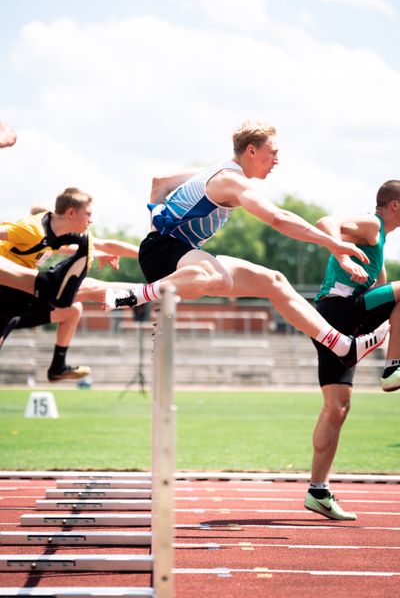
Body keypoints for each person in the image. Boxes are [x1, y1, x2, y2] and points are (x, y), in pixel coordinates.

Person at [103, 120, 388, 367]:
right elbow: (278, 218)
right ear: (251, 150)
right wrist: (333, 245)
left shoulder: (216, 171)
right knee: (215, 275)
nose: (276, 161)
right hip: (165, 252)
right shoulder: (232, 181)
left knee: (275, 282)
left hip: (179, 254)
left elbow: (159, 182)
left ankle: (342, 347)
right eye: (272, 154)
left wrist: (154, 228)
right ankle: (136, 294)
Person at [304, 179, 400, 521]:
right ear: (394, 205)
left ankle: (318, 490)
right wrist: (341, 254)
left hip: (337, 319)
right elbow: (325, 223)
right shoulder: (372, 225)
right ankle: (393, 366)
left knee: (337, 408)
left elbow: (383, 290)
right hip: (337, 311)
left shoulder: (381, 242)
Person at [0, 187, 139, 381]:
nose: (91, 220)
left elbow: (105, 245)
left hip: (21, 300)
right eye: (88, 214)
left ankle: (58, 367)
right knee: (87, 287)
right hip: (7, 291)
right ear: (71, 213)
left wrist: (148, 255)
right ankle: (149, 293)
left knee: (73, 309)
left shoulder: (59, 233)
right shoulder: (31, 230)